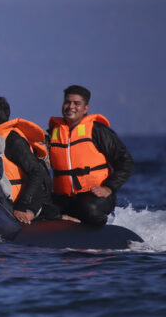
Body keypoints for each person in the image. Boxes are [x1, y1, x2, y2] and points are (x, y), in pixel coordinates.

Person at [47, 85, 134, 225]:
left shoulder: (98, 131)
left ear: (85, 108)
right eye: (67, 102)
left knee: (89, 209)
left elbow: (126, 162)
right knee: (36, 206)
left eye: (77, 103)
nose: (71, 106)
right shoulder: (52, 133)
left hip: (94, 197)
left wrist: (109, 188)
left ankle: (97, 230)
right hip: (62, 198)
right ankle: (63, 221)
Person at [0, 96, 58, 224]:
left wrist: (23, 207)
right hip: (1, 200)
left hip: (20, 202)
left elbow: (36, 171)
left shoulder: (13, 140)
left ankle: (54, 216)